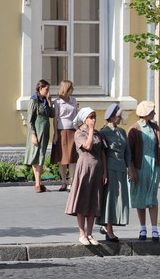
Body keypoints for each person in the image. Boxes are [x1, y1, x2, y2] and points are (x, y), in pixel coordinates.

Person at [65, 107, 107, 245]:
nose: (93, 120)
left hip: (97, 170)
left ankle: (90, 233)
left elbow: (102, 153)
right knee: (82, 200)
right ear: (84, 119)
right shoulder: (79, 133)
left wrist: (105, 172)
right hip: (84, 169)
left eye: (94, 117)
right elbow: (88, 146)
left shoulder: (98, 134)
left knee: (94, 201)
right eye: (90, 117)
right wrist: (90, 130)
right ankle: (82, 233)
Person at [128, 100, 160, 242]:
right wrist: (131, 170)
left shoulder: (155, 128)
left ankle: (155, 229)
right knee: (140, 198)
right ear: (146, 113)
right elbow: (130, 153)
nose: (155, 113)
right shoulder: (134, 129)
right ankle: (143, 228)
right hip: (140, 166)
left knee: (152, 198)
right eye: (152, 111)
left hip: (153, 166)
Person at [97, 104, 134, 242]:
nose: (120, 118)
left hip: (121, 169)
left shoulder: (122, 132)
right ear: (111, 117)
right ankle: (108, 228)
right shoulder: (103, 133)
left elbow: (127, 152)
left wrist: (130, 169)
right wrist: (103, 172)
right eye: (118, 115)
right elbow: (102, 154)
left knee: (119, 200)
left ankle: (108, 226)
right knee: (110, 199)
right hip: (110, 169)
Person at [23, 79, 55, 193]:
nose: (48, 91)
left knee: (41, 156)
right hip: (37, 132)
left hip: (45, 133)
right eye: (46, 89)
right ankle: (37, 184)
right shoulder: (34, 101)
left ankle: (39, 183)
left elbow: (52, 114)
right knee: (36, 157)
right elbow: (30, 120)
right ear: (40, 88)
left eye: (48, 89)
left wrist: (50, 101)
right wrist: (33, 134)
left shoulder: (45, 101)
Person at [51, 80, 79, 191]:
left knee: (72, 158)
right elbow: (55, 119)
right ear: (66, 88)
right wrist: (56, 134)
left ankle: (72, 182)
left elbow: (76, 115)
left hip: (73, 130)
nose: (73, 90)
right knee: (62, 158)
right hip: (61, 130)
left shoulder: (73, 100)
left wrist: (78, 130)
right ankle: (63, 181)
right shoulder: (57, 102)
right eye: (71, 87)